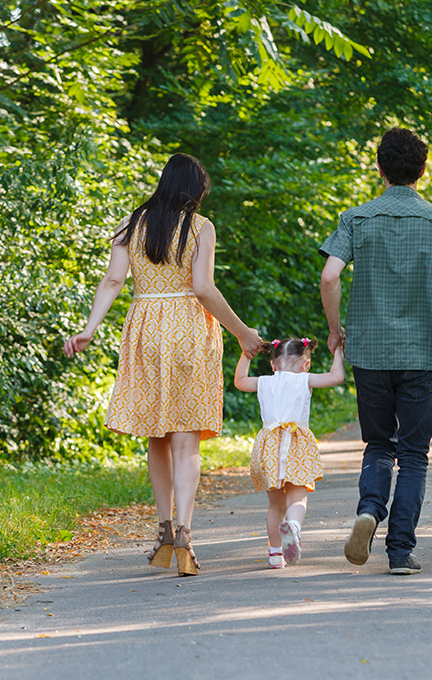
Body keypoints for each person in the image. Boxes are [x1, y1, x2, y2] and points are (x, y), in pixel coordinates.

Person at [64, 153, 263, 577]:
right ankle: (187, 535)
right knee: (186, 439)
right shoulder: (200, 227)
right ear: (194, 189)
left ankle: (164, 530)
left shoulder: (132, 223)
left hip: (146, 330)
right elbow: (204, 288)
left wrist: (89, 328)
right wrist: (242, 332)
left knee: (157, 432)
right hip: (189, 328)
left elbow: (113, 281)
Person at [318, 128, 432, 575]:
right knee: (413, 454)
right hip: (421, 354)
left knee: (377, 444)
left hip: (369, 352)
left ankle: (370, 509)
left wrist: (335, 331)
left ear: (380, 169)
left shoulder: (357, 218)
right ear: (422, 172)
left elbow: (329, 277)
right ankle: (401, 552)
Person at [234, 337, 345, 568]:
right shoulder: (305, 380)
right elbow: (337, 377)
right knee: (298, 497)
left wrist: (246, 354)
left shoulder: (264, 382)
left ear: (273, 365)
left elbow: (240, 381)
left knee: (276, 506)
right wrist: (338, 351)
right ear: (306, 365)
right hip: (297, 445)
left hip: (269, 448)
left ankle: (275, 554)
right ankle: (293, 528)